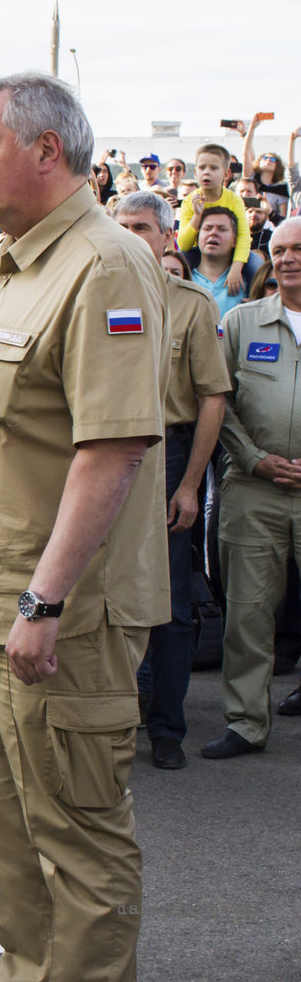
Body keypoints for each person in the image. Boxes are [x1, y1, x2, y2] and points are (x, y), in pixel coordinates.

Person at [0, 72, 168, 982]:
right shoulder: (2, 266)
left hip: (61, 613)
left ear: (47, 151)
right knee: (10, 840)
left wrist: (43, 597)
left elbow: (113, 449)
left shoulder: (104, 263)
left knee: (77, 838)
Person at [113, 192, 231, 769]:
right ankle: (112, 714)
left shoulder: (191, 303)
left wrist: (190, 485)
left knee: (170, 602)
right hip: (100, 451)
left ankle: (166, 726)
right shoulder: (95, 291)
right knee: (101, 590)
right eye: (122, 225)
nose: (132, 235)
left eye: (142, 227)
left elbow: (212, 398)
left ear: (165, 236)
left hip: (166, 452)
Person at [205, 216, 301, 758]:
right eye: (280, 249)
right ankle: (246, 723)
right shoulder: (241, 322)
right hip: (253, 488)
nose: (288, 258)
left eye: (299, 248)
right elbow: (220, 400)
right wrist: (255, 458)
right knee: (248, 611)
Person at [177, 143, 252, 291]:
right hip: (197, 252)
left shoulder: (235, 200)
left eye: (213, 168)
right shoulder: (189, 201)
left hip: (229, 251)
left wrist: (236, 268)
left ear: (226, 174)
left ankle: (256, 297)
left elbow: (243, 236)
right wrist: (197, 216)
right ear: (195, 172)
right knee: (175, 264)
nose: (206, 172)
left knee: (256, 265)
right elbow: (184, 245)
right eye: (202, 167)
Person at [184, 206, 257, 318]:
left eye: (222, 229)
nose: (213, 233)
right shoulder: (182, 279)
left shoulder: (248, 284)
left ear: (235, 241)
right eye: (208, 228)